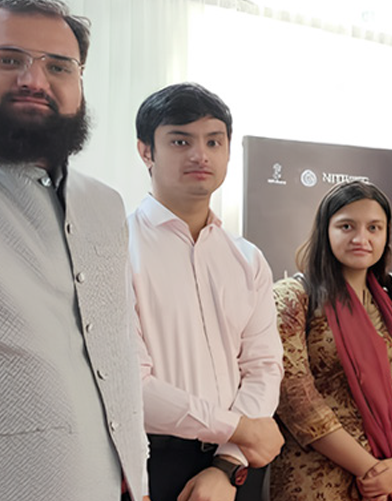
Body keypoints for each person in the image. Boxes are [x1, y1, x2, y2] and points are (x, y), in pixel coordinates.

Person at [0, 1, 145, 499]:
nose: (35, 80)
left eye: (59, 66)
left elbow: (115, 353)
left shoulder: (104, 204)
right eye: (8, 58)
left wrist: (135, 479)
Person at [129, 82, 285, 501]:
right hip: (152, 462)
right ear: (146, 151)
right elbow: (130, 384)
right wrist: (240, 429)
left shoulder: (247, 257)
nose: (200, 155)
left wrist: (228, 460)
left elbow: (264, 366)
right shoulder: (115, 248)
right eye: (180, 140)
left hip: (236, 464)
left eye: (214, 141)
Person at [271, 180, 392, 501]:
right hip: (317, 479)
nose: (362, 238)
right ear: (325, 231)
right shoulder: (294, 298)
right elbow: (296, 400)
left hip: (390, 476)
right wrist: (371, 470)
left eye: (374, 227)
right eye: (347, 226)